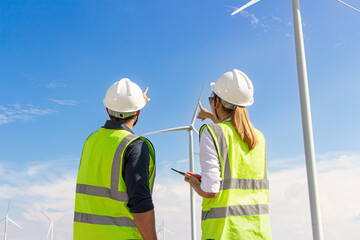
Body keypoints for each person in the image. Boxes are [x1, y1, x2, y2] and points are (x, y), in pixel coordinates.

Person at [185, 69, 272, 239]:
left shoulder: (211, 132)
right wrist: (211, 116)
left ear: (217, 101)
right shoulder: (259, 138)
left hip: (225, 232)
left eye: (211, 99)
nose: (210, 103)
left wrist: (194, 183)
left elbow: (210, 190)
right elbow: (234, 131)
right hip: (258, 232)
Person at [74, 78, 157, 240]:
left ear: (107, 109)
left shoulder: (91, 141)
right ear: (138, 112)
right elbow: (140, 205)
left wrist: (138, 103)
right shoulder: (134, 146)